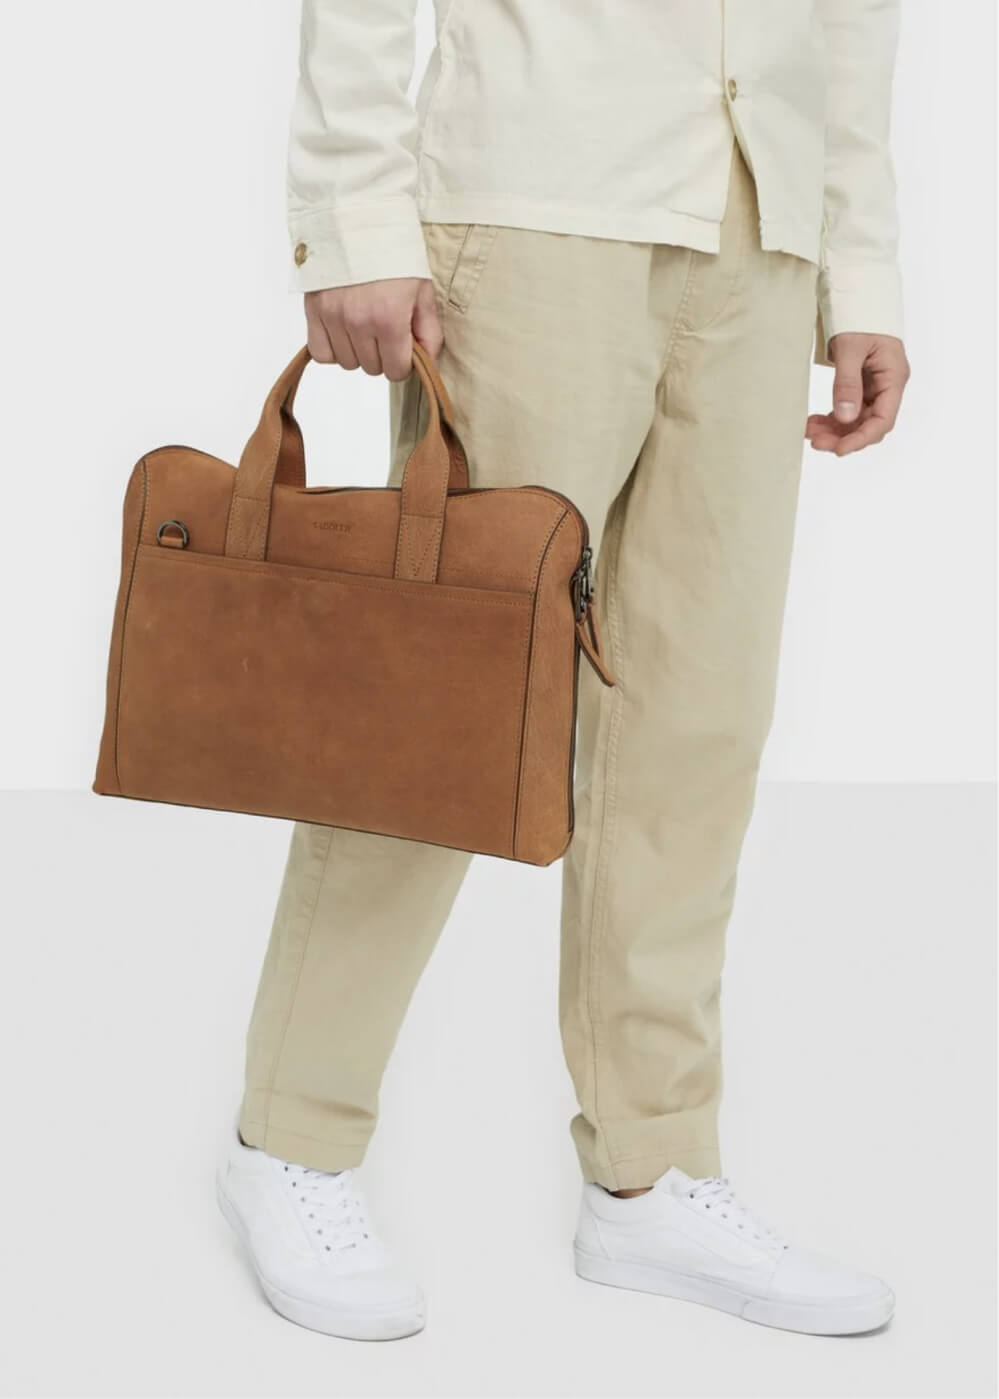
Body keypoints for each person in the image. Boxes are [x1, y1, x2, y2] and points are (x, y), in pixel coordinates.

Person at [216, 0, 910, 1342]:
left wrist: (860, 271)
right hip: (538, 209)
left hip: (763, 236)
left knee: (695, 729)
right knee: (448, 709)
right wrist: (355, 220)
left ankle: (651, 1168)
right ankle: (290, 1137)